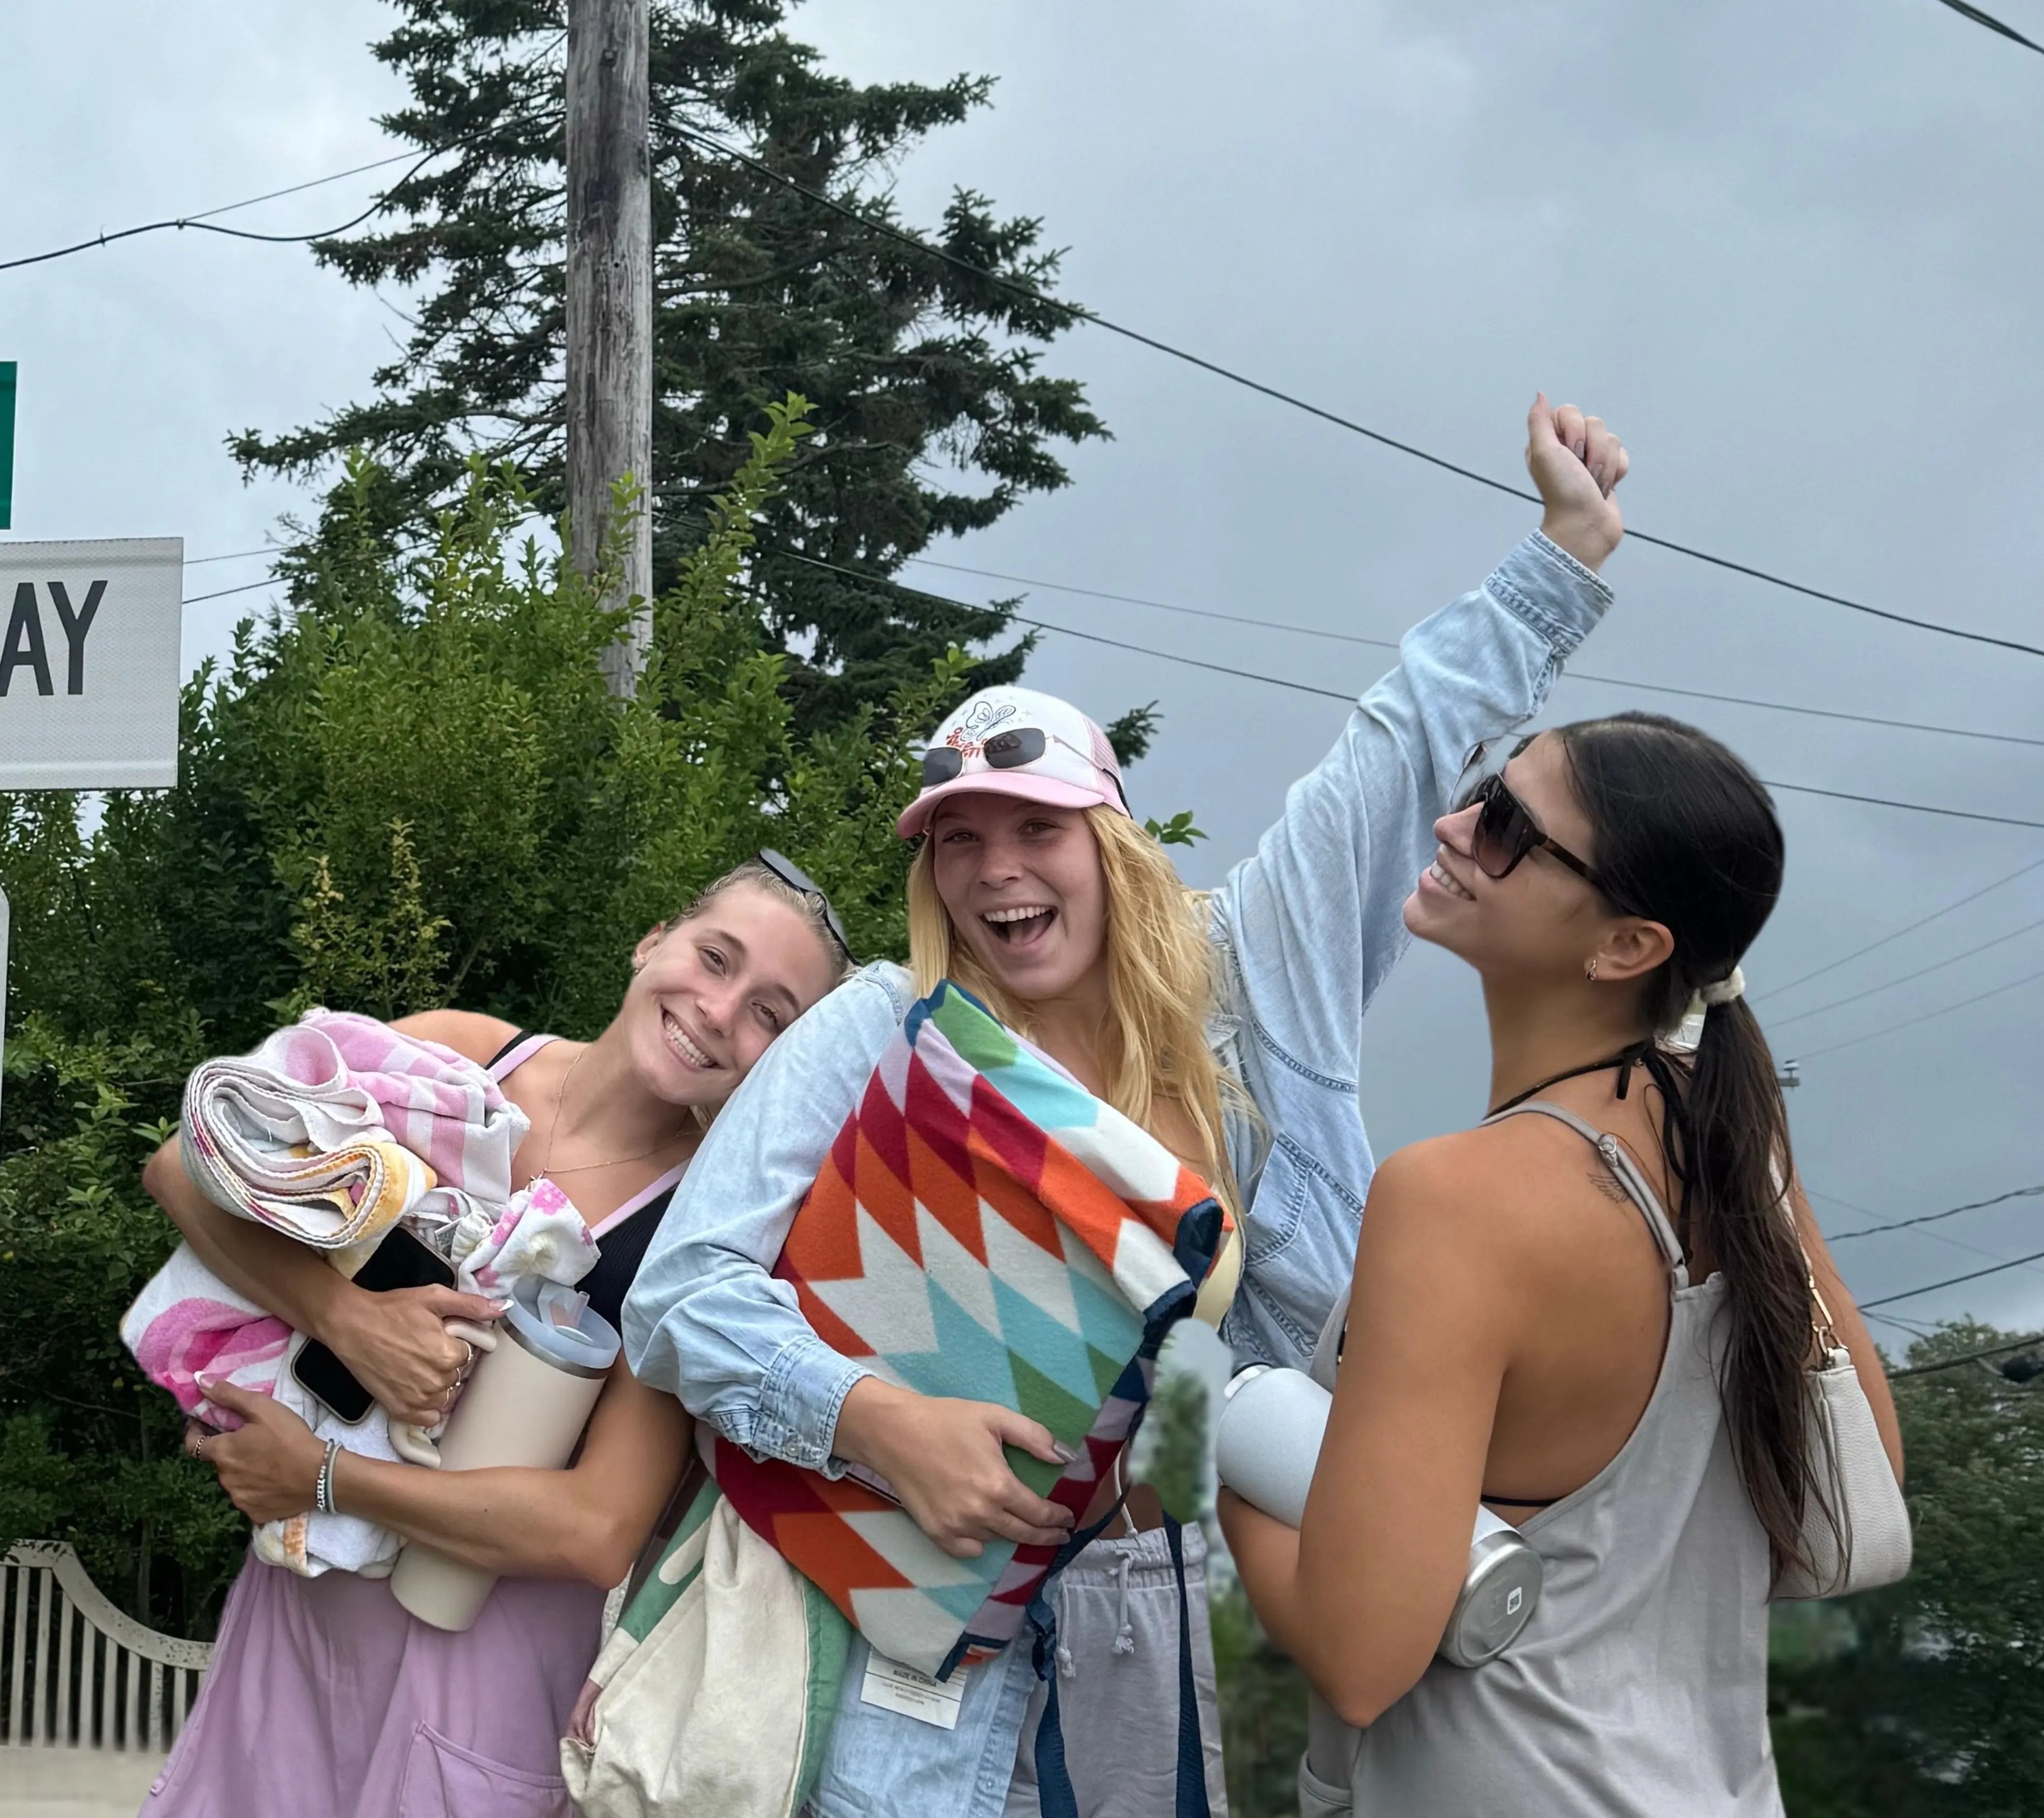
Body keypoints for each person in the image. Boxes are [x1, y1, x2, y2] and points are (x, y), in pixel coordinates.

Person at [626, 395, 1634, 1818]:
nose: (996, 871)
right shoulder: (880, 1029)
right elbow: (683, 1293)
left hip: (1150, 1614)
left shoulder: (1247, 983)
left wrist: (1562, 553)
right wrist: (876, 1419)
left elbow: (1393, 754)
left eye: (1037, 830)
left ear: (1109, 840)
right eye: (958, 842)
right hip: (885, 1622)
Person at [1219, 713, 1900, 1816]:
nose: (1453, 824)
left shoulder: (1459, 1200)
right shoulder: (1733, 1139)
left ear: (1627, 947)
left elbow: (1359, 1655)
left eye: (1507, 827)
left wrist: (1228, 1450)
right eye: (1486, 787)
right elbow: (1851, 1495)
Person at [140, 857, 851, 1818]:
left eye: (772, 1014)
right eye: (714, 958)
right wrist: (348, 1320)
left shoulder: (708, 1226)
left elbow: (599, 1528)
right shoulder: (459, 1058)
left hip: (485, 1655)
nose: (722, 1011)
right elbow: (188, 1164)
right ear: (653, 942)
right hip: (305, 1608)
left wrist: (317, 1476)